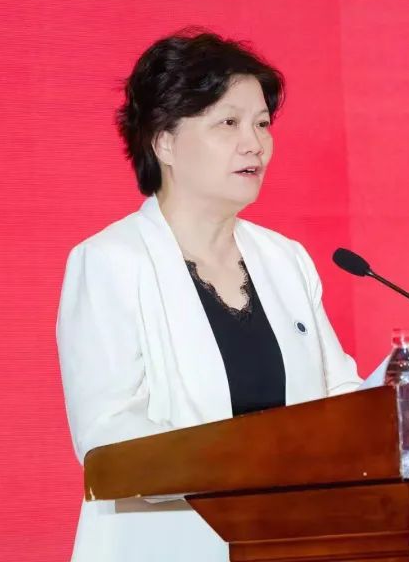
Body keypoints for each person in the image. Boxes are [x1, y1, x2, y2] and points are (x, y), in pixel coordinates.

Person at [56, 30, 362, 562]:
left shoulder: (285, 260)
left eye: (262, 123)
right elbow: (111, 441)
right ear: (164, 142)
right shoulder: (111, 262)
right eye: (228, 123)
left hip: (288, 543)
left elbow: (340, 399)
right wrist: (255, 465)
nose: (255, 143)